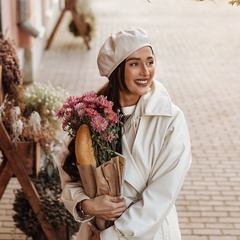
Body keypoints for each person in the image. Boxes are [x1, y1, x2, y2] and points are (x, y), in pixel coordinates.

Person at [57, 27, 192, 240]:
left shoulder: (170, 119)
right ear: (117, 70)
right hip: (95, 230)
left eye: (150, 62)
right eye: (135, 64)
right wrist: (87, 205)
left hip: (150, 232)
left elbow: (161, 196)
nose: (146, 72)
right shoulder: (91, 118)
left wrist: (110, 236)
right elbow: (69, 177)